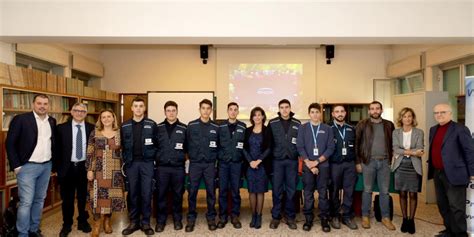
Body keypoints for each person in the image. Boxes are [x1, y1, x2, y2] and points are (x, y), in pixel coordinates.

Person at [6, 94, 56, 237]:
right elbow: (10, 143)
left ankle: (34, 230)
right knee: (26, 202)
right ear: (33, 104)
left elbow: (53, 143)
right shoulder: (21, 119)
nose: (42, 106)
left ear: (48, 106)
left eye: (45, 103)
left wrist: (53, 164)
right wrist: (16, 165)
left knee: (39, 200)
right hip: (27, 167)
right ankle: (22, 233)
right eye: (39, 103)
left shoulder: (51, 121)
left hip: (46, 166)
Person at [428, 103, 474, 237]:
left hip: (455, 174)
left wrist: (472, 172)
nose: (439, 115)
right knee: (443, 204)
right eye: (436, 113)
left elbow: (469, 152)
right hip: (438, 172)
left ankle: (459, 234)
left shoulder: (460, 129)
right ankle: (449, 230)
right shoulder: (433, 129)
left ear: (450, 113)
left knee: (456, 207)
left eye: (443, 112)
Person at [355, 101, 395, 230]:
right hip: (368, 162)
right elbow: (357, 144)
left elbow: (393, 143)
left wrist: (392, 158)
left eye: (377, 108)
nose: (375, 111)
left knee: (385, 191)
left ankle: (385, 217)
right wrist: (358, 162)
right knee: (367, 190)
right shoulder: (362, 124)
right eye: (372, 109)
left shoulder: (389, 125)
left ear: (381, 110)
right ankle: (365, 216)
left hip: (384, 162)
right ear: (369, 111)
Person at [121, 97, 158, 236]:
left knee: (147, 193)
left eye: (141, 106)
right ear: (131, 108)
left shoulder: (152, 124)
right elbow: (122, 145)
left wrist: (152, 157)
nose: (138, 108)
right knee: (133, 193)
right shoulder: (124, 126)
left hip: (147, 164)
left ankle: (146, 223)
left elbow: (157, 144)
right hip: (131, 164)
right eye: (135, 106)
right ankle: (134, 222)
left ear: (144, 108)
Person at [56, 103, 94, 237]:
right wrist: (57, 169)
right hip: (67, 168)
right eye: (76, 110)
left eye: (82, 111)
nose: (79, 113)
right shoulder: (61, 128)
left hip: (85, 167)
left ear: (86, 113)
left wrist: (92, 168)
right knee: (67, 199)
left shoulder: (92, 128)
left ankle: (83, 221)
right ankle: (67, 224)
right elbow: (56, 149)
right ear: (71, 112)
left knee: (83, 198)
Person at [86, 109, 126, 237]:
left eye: (109, 116)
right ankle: (96, 225)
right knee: (96, 199)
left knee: (111, 199)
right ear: (100, 119)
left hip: (115, 171)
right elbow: (90, 152)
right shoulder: (95, 133)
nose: (107, 119)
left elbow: (124, 152)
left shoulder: (120, 133)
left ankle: (107, 222)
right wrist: (89, 170)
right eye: (104, 117)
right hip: (98, 170)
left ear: (114, 118)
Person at [297, 103, 335, 232]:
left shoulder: (327, 128)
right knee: (308, 193)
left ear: (320, 113)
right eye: (312, 112)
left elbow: (331, 148)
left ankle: (324, 218)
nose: (315, 114)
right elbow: (300, 147)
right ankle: (308, 219)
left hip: (323, 166)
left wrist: (317, 162)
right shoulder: (303, 128)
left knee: (323, 193)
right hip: (307, 165)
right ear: (309, 114)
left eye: (317, 112)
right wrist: (309, 163)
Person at [185, 99, 219, 232]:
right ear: (199, 109)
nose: (205, 111)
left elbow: (219, 145)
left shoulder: (216, 127)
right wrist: (189, 158)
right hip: (195, 164)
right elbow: (186, 144)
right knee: (192, 192)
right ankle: (191, 218)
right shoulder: (191, 125)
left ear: (211, 110)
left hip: (210, 164)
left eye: (208, 108)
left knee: (211, 192)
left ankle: (211, 217)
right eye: (203, 108)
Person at [266, 99, 301, 230]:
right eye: (282, 107)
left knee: (291, 190)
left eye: (287, 107)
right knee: (277, 190)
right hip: (277, 161)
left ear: (290, 108)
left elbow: (300, 143)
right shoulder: (272, 123)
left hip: (292, 161)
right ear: (279, 109)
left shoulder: (297, 123)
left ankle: (290, 217)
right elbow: (269, 143)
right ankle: (276, 217)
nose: (285, 110)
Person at [155, 101, 187, 232]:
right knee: (161, 194)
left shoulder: (184, 128)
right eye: (168, 110)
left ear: (177, 112)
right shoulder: (158, 127)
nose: (171, 113)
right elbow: (154, 146)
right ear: (164, 112)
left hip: (178, 168)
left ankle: (177, 219)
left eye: (173, 110)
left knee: (178, 194)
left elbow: (188, 148)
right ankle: (161, 221)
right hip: (162, 168)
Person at [391, 107, 424, 234]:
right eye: (404, 116)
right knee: (402, 193)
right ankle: (404, 219)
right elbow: (395, 148)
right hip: (400, 165)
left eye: (409, 116)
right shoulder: (396, 132)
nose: (407, 119)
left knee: (413, 194)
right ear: (401, 118)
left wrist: (408, 152)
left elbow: (420, 149)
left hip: (413, 165)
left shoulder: (419, 132)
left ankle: (411, 220)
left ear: (413, 118)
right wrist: (412, 152)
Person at [328, 105, 358, 230]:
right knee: (334, 191)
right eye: (337, 112)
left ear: (345, 113)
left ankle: (346, 216)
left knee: (349, 191)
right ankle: (334, 215)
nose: (339, 114)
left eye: (342, 111)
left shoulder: (351, 128)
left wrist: (357, 163)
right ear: (333, 114)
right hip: (334, 164)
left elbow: (356, 147)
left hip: (349, 164)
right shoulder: (328, 128)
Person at [217, 102, 246, 229]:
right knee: (222, 191)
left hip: (236, 164)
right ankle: (223, 217)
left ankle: (235, 216)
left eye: (235, 110)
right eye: (231, 110)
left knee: (235, 191)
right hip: (223, 164)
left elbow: (245, 145)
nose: (233, 112)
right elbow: (216, 144)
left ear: (238, 112)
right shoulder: (220, 126)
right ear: (227, 111)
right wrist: (221, 156)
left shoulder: (243, 126)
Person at [243, 107, 270, 229]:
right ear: (252, 117)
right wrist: (250, 161)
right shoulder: (247, 130)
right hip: (250, 166)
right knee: (252, 191)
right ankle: (253, 215)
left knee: (260, 191)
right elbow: (243, 148)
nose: (257, 117)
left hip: (262, 165)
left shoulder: (267, 130)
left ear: (263, 117)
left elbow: (269, 148)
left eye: (260, 115)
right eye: (255, 115)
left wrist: (258, 161)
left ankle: (259, 216)